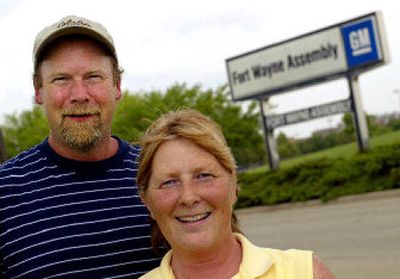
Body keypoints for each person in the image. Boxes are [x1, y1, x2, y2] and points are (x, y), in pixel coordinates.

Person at [0, 15, 160, 278]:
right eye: (61, 79)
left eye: (93, 77)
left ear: (117, 86)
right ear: (38, 90)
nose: (79, 95)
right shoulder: (5, 192)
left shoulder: (159, 175)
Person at [137, 109, 335, 279]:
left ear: (234, 187)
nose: (189, 197)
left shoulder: (304, 273)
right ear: (146, 201)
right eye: (169, 182)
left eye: (204, 176)